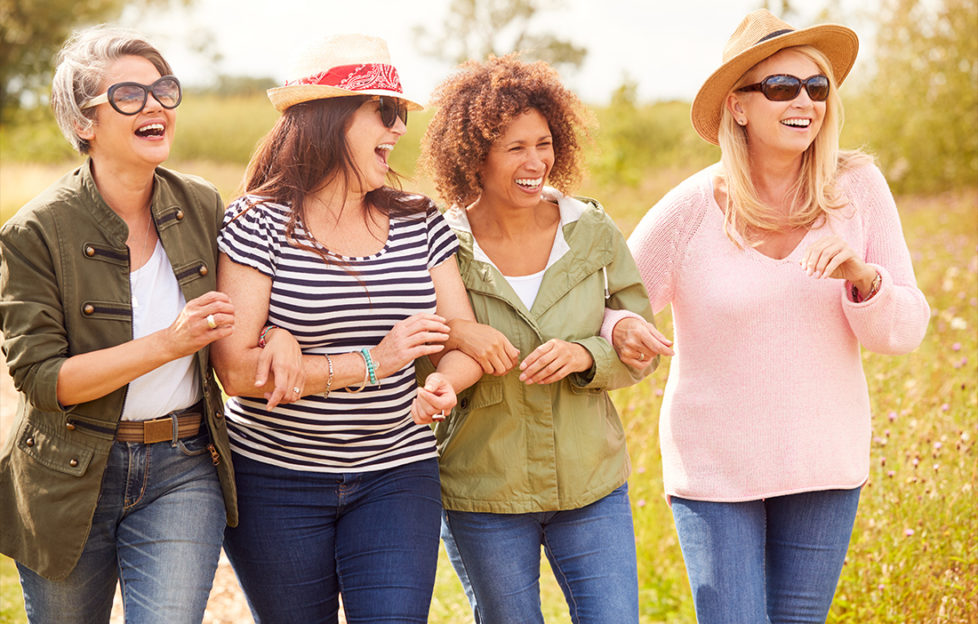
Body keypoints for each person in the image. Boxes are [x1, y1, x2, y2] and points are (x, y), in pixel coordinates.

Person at [611, 10, 930, 623]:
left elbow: (906, 330)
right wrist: (621, 330)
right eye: (782, 87)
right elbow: (607, 306)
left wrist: (865, 282)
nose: (804, 101)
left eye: (817, 87)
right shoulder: (688, 210)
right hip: (713, 473)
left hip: (824, 466)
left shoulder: (858, 189)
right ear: (738, 106)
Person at [210, 34, 481, 624]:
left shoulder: (421, 221)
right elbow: (236, 372)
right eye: (384, 112)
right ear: (329, 120)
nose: (399, 128)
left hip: (396, 471)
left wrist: (448, 383)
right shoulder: (257, 222)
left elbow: (461, 336)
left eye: (400, 112)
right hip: (275, 479)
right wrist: (374, 363)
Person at [0, 26, 239, 623]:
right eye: (129, 95)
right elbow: (44, 382)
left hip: (183, 465)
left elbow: (257, 306)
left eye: (163, 89)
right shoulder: (34, 232)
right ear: (85, 122)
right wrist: (169, 342)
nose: (155, 104)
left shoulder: (203, 204)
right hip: (68, 473)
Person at [417, 55, 665, 624]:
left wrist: (588, 354)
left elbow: (637, 341)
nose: (537, 162)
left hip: (591, 485)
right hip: (485, 490)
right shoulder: (438, 244)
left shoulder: (591, 231)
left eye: (544, 143)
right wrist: (442, 376)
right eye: (515, 148)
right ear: (473, 158)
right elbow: (427, 351)